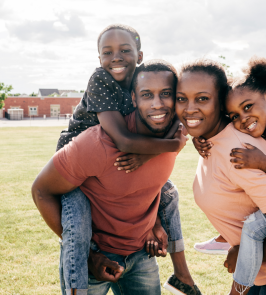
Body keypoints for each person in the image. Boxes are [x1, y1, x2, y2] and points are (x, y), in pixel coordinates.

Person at [32, 60, 202, 295]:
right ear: (133, 99)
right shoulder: (97, 144)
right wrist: (90, 256)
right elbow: (41, 191)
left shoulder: (177, 134)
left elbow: (147, 185)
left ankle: (182, 276)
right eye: (146, 95)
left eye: (166, 94)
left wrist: (156, 222)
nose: (157, 104)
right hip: (96, 260)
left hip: (142, 255)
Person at [175, 58, 266, 295]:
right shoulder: (212, 141)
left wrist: (242, 253)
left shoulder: (241, 152)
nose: (190, 108)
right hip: (263, 275)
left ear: (219, 102)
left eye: (202, 98)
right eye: (182, 98)